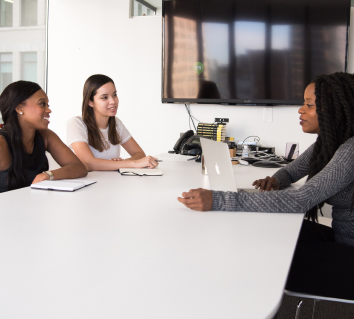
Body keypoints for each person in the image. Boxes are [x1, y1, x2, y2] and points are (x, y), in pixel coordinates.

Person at [178, 71, 354, 299]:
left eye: (309, 105)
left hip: (348, 254)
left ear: (334, 109)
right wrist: (277, 180)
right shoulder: (330, 143)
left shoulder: (350, 150)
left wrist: (219, 199)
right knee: (271, 230)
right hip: (341, 240)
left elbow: (301, 200)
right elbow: (292, 170)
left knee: (264, 255)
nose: (300, 110)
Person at [0, 81, 87, 193]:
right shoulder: (2, 144)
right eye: (42, 104)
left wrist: (47, 175)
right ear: (19, 108)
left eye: (47, 105)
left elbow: (79, 168)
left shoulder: (46, 136)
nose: (48, 110)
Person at [66, 74, 158, 171]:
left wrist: (123, 163)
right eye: (104, 97)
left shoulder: (116, 123)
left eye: (114, 95)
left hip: (113, 182)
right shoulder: (76, 123)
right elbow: (89, 163)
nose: (113, 101)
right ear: (90, 102)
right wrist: (130, 163)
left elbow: (139, 154)